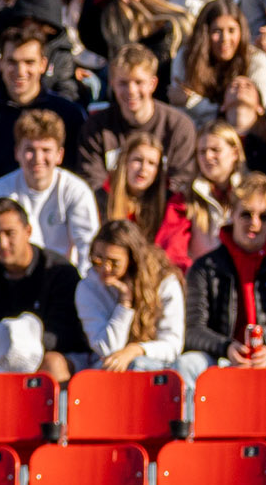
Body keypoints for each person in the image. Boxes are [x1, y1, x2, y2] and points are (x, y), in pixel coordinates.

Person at [178, 170, 266, 381]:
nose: (255, 223)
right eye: (246, 214)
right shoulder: (205, 267)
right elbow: (193, 329)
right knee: (187, 364)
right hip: (222, 358)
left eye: (264, 216)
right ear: (232, 213)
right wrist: (226, 348)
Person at [0, 196, 86, 381]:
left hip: (50, 354)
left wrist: (24, 350)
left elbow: (65, 331)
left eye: (9, 233)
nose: (2, 243)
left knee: (54, 364)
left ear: (28, 231)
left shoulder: (59, 271)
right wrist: (4, 350)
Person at [0, 30, 88, 204]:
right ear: (0, 63)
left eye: (29, 62)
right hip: (1, 214)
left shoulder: (68, 113)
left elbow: (77, 174)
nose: (20, 71)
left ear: (43, 65)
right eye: (12, 62)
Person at [0, 109, 99, 268]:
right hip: (10, 277)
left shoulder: (76, 191)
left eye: (46, 150)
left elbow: (88, 248)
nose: (38, 158)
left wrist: (82, 289)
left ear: (59, 155)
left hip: (60, 278)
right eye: (30, 150)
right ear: (17, 153)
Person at [76, 45, 198, 192]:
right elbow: (92, 184)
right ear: (112, 83)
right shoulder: (96, 128)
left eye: (139, 82)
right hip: (112, 210)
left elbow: (181, 183)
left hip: (162, 211)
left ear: (153, 83)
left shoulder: (178, 127)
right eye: (123, 83)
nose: (131, 91)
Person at [79, 219, 186, 377]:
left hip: (154, 368)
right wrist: (124, 304)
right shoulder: (88, 287)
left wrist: (135, 350)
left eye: (114, 263)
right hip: (107, 367)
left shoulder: (164, 281)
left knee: (138, 366)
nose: (104, 268)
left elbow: (173, 344)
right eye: (98, 259)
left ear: (132, 260)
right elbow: (107, 348)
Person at [97, 130, 192, 270]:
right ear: (125, 161)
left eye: (151, 163)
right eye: (137, 160)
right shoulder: (102, 197)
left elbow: (172, 251)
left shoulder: (169, 202)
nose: (143, 169)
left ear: (158, 171)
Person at [175, 0, 266, 124]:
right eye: (217, 31)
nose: (225, 38)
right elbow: (178, 102)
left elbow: (257, 109)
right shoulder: (186, 57)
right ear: (204, 34)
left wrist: (192, 102)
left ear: (242, 31)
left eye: (231, 30)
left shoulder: (257, 60)